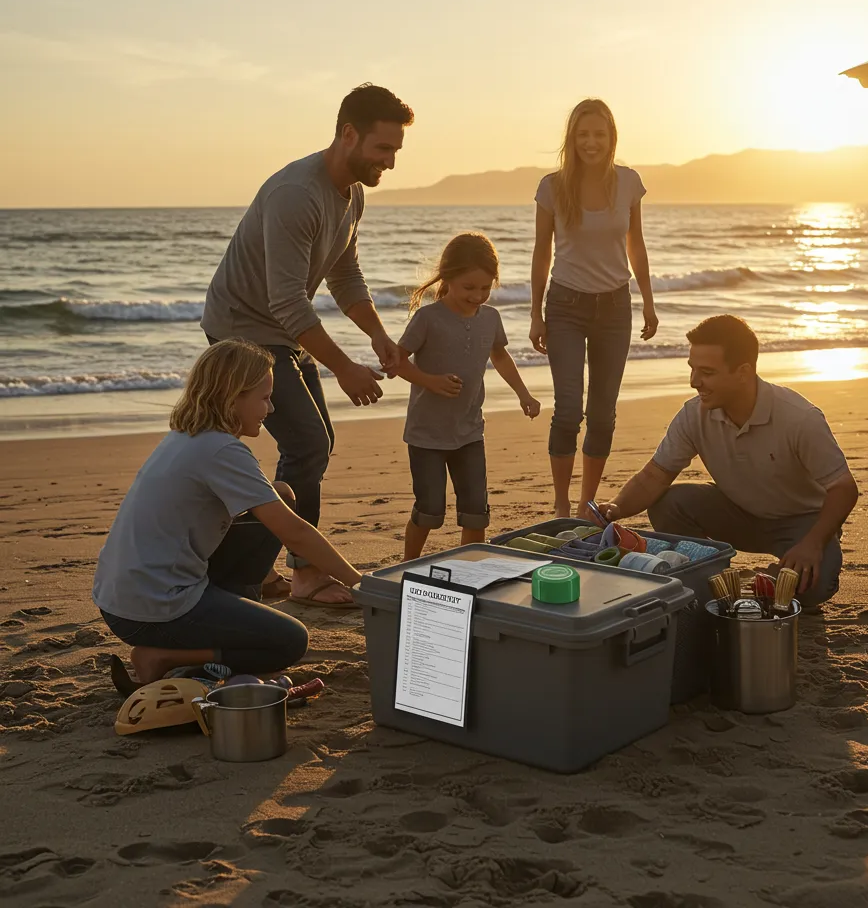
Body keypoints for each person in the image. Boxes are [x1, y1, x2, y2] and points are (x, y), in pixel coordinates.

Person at [201, 84, 414, 607]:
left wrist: (379, 336)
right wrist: (344, 367)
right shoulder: (296, 194)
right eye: (383, 149)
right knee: (308, 445)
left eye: (395, 151)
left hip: (279, 330)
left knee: (313, 445)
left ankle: (269, 565)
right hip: (242, 331)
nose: (389, 161)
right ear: (348, 134)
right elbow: (287, 303)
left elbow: (344, 275)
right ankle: (301, 574)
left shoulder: (352, 194)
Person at [92, 340, 364, 685]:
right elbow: (295, 533)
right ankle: (162, 655)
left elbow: (273, 512)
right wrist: (362, 584)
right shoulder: (221, 450)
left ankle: (234, 610)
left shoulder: (187, 436)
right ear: (232, 396)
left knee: (279, 494)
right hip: (152, 610)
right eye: (264, 398)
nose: (272, 408)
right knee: (289, 641)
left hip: (120, 597)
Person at [596, 315, 859, 607]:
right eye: (692, 369)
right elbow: (655, 475)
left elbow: (844, 488)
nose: (694, 381)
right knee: (669, 502)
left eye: (707, 372)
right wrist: (614, 509)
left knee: (817, 587)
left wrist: (813, 543)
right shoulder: (694, 414)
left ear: (743, 372)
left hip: (800, 522)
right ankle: (707, 577)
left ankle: (775, 577)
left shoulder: (800, 417)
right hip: (736, 513)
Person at [530, 98, 658, 520]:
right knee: (568, 407)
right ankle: (562, 501)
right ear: (572, 138)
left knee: (602, 412)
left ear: (611, 137)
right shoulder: (552, 186)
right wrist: (536, 313)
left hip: (615, 307)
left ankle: (587, 500)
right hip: (565, 304)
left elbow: (635, 245)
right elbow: (541, 252)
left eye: (599, 134)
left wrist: (648, 302)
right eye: (583, 134)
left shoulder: (629, 182)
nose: (591, 142)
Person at [396, 233, 541, 561]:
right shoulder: (428, 319)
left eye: (485, 288)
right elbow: (396, 362)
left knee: (476, 510)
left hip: (470, 432)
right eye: (469, 288)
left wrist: (524, 393)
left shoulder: (490, 318)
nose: (477, 296)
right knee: (430, 510)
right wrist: (428, 381)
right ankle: (409, 564)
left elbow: (500, 356)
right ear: (447, 278)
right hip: (427, 435)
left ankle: (469, 568)